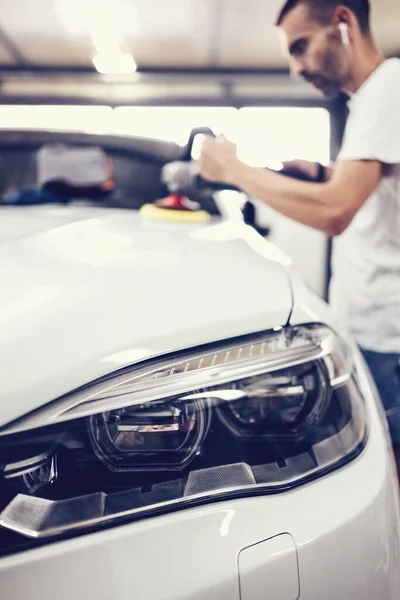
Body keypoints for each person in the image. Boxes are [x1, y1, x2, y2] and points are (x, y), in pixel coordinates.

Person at [199, 0, 400, 474]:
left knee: (387, 477)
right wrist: (319, 172)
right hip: (375, 328)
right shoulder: (373, 99)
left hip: (388, 338)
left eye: (301, 47)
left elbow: (335, 211)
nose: (295, 68)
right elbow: (376, 184)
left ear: (343, 23)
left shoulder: (388, 89)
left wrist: (232, 168)